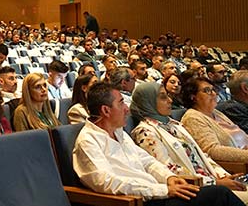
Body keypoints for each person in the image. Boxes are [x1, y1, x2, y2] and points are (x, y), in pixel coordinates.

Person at [73, 82, 243, 206]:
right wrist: (162, 190)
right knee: (219, 195)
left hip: (155, 193)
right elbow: (106, 182)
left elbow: (148, 162)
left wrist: (170, 178)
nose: (127, 109)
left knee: (219, 196)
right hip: (135, 201)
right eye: (121, 103)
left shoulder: (119, 133)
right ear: (105, 110)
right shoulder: (88, 140)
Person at [130, 82, 248, 203]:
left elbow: (201, 156)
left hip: (211, 180)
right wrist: (215, 182)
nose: (170, 100)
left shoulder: (174, 125)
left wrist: (222, 175)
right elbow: (170, 169)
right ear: (148, 102)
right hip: (193, 187)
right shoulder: (144, 132)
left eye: (168, 96)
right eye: (163, 97)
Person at [181, 77, 248, 162]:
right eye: (207, 90)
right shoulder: (192, 118)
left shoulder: (215, 112)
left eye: (213, 90)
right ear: (193, 97)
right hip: (236, 167)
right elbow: (211, 151)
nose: (213, 94)